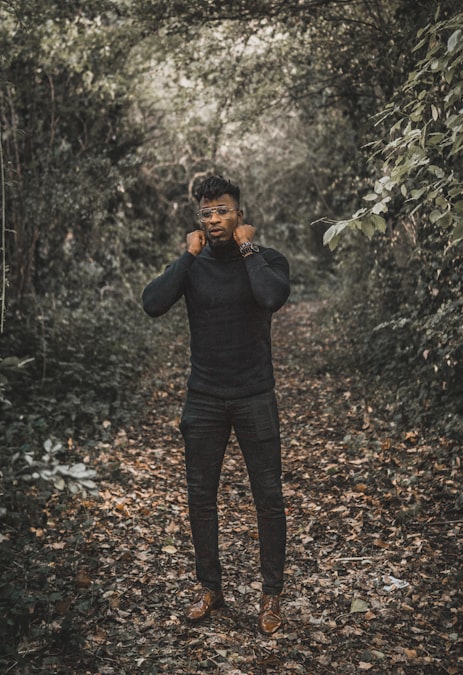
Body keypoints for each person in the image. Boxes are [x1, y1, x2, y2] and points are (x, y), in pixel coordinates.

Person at [142, 175, 290, 635]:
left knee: (268, 498)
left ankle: (271, 596)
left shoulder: (266, 260)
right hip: (203, 398)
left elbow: (271, 296)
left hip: (254, 397)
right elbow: (152, 303)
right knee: (201, 499)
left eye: (222, 210)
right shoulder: (194, 263)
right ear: (199, 220)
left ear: (240, 215)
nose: (215, 219)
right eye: (207, 212)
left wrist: (248, 250)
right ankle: (211, 588)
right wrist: (187, 255)